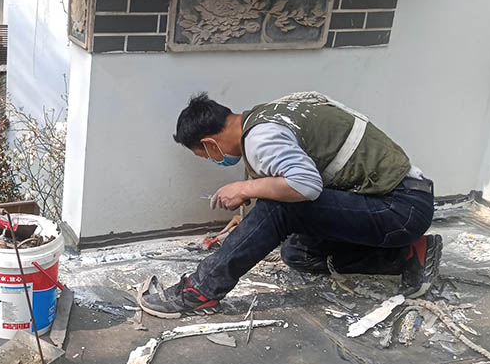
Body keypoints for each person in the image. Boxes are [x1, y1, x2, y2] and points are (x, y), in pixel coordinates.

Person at [139, 91, 442, 318]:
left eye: (206, 155)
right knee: (298, 253)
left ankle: (200, 290)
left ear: (209, 143)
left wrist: (244, 187)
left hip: (400, 209)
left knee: (281, 208)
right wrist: (250, 221)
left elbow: (304, 186)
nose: (213, 159)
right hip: (394, 200)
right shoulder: (264, 117)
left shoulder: (261, 138)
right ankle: (409, 255)